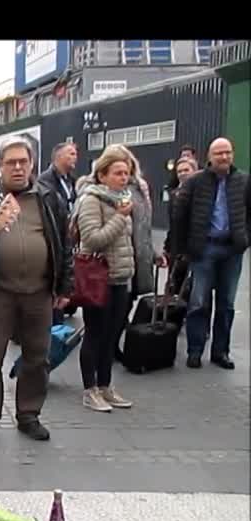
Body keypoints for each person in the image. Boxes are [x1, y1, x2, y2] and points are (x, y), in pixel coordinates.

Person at [0, 136, 73, 443]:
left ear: (32, 164)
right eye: (11, 162)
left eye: (23, 161)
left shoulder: (48, 198)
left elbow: (65, 244)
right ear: (1, 166)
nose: (18, 168)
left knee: (38, 357)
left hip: (39, 291)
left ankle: (29, 415)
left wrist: (64, 286)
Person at [173, 137, 249, 370]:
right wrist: (179, 250)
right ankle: (195, 351)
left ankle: (220, 352)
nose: (224, 157)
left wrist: (245, 239)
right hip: (204, 248)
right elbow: (180, 214)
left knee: (226, 304)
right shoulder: (196, 182)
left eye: (227, 152)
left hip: (232, 249)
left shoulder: (244, 181)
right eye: (219, 153)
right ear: (209, 157)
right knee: (198, 302)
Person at [73, 147, 137, 412]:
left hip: (120, 277)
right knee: (95, 334)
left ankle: (106, 385)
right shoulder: (91, 200)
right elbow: (93, 239)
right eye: (118, 173)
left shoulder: (122, 199)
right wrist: (121, 218)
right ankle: (90, 389)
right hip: (98, 278)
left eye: (127, 173)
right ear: (102, 174)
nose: (124, 178)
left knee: (111, 336)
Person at [110, 145, 167, 362]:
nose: (124, 174)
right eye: (119, 169)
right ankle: (108, 347)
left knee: (126, 304)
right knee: (114, 308)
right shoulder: (105, 190)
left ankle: (113, 343)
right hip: (116, 259)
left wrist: (153, 254)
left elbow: (143, 228)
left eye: (127, 167)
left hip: (137, 258)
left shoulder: (140, 189)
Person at [163, 156, 199, 294]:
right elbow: (173, 225)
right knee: (174, 289)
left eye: (186, 170)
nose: (183, 173)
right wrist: (167, 247)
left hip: (196, 250)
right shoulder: (174, 195)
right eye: (179, 171)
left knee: (195, 290)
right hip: (176, 250)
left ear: (195, 171)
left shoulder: (202, 193)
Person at [37, 142, 78, 214]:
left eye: (76, 154)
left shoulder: (73, 180)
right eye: (72, 154)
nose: (75, 157)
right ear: (59, 156)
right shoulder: (44, 180)